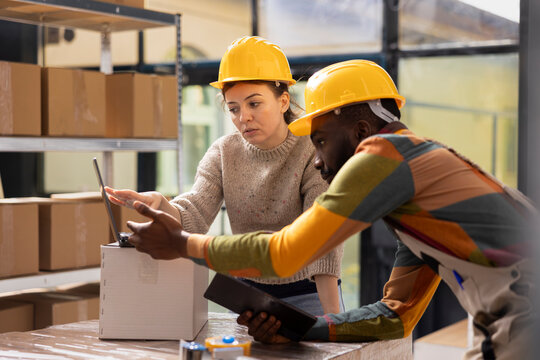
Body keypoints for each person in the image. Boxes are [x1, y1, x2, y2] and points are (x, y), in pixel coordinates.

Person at [125, 59, 536, 360]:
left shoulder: (384, 154)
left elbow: (286, 252)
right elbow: (396, 317)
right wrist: (305, 329)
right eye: (233, 108)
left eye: (320, 141)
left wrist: (181, 243)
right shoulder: (420, 206)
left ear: (359, 131)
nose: (318, 161)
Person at [106, 36, 344, 316]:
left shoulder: (313, 151)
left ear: (283, 101)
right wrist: (161, 203)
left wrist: (332, 324)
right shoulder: (223, 152)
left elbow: (322, 240)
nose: (243, 117)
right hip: (246, 297)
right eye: (233, 108)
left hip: (308, 294)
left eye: (254, 104)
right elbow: (194, 215)